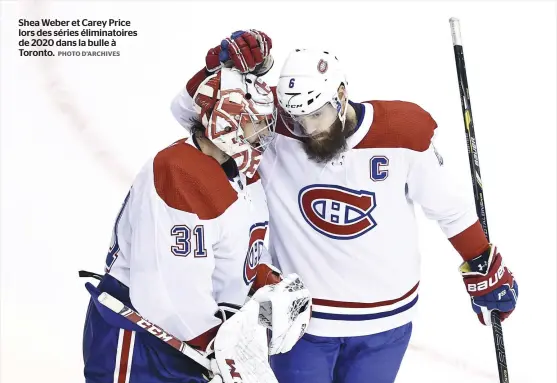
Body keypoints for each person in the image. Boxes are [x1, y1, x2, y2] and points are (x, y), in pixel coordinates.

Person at [171, 30, 519, 383]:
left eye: (316, 115)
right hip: (298, 324)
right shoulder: (276, 126)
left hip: (386, 324)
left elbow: (448, 208)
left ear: (340, 95)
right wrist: (218, 70)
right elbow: (190, 115)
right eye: (297, 119)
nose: (307, 129)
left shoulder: (403, 133)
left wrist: (480, 260)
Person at [81, 67, 311, 383]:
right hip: (143, 345)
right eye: (255, 123)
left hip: (198, 344)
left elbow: (229, 254)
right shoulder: (179, 173)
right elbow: (166, 293)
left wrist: (262, 280)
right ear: (227, 120)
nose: (262, 134)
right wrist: (226, 353)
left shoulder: (246, 176)